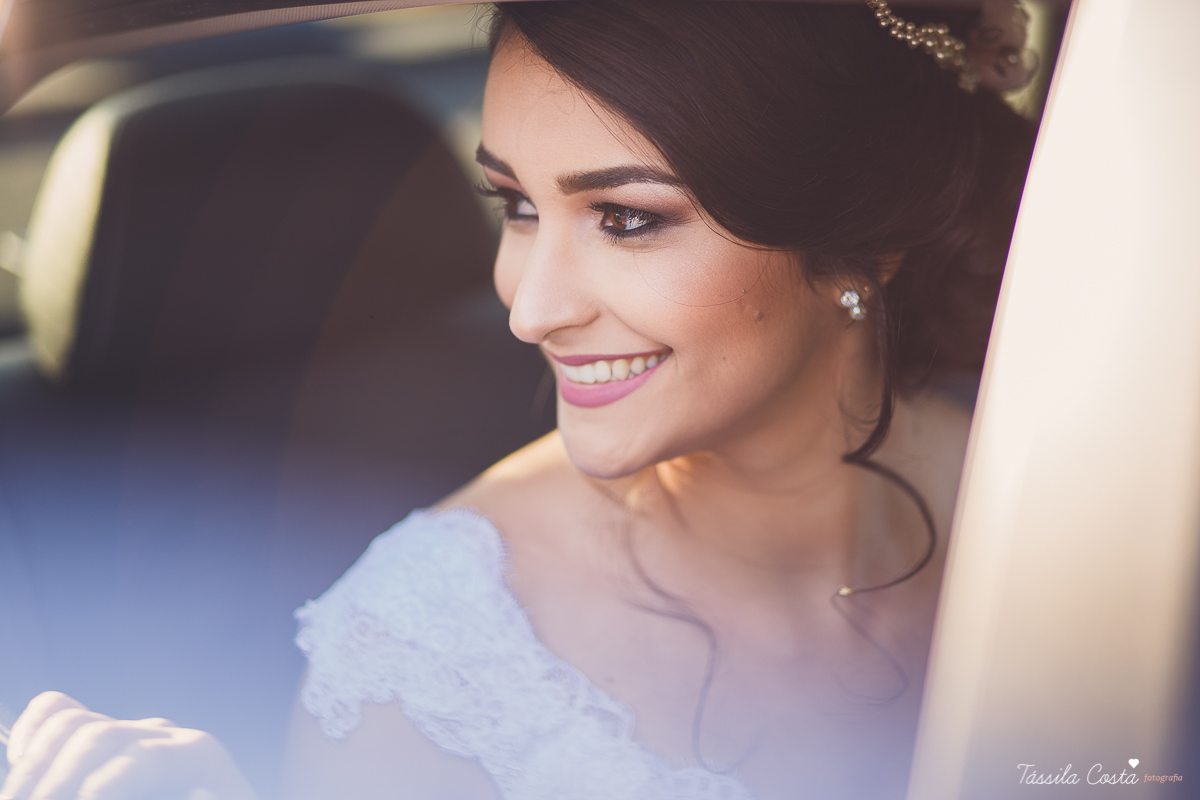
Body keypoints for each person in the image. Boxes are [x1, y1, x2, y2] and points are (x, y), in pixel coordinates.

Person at [0, 1, 1037, 798]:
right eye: (518, 207)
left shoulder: (1069, 503)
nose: (531, 309)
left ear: (871, 238)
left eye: (626, 218)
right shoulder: (434, 651)